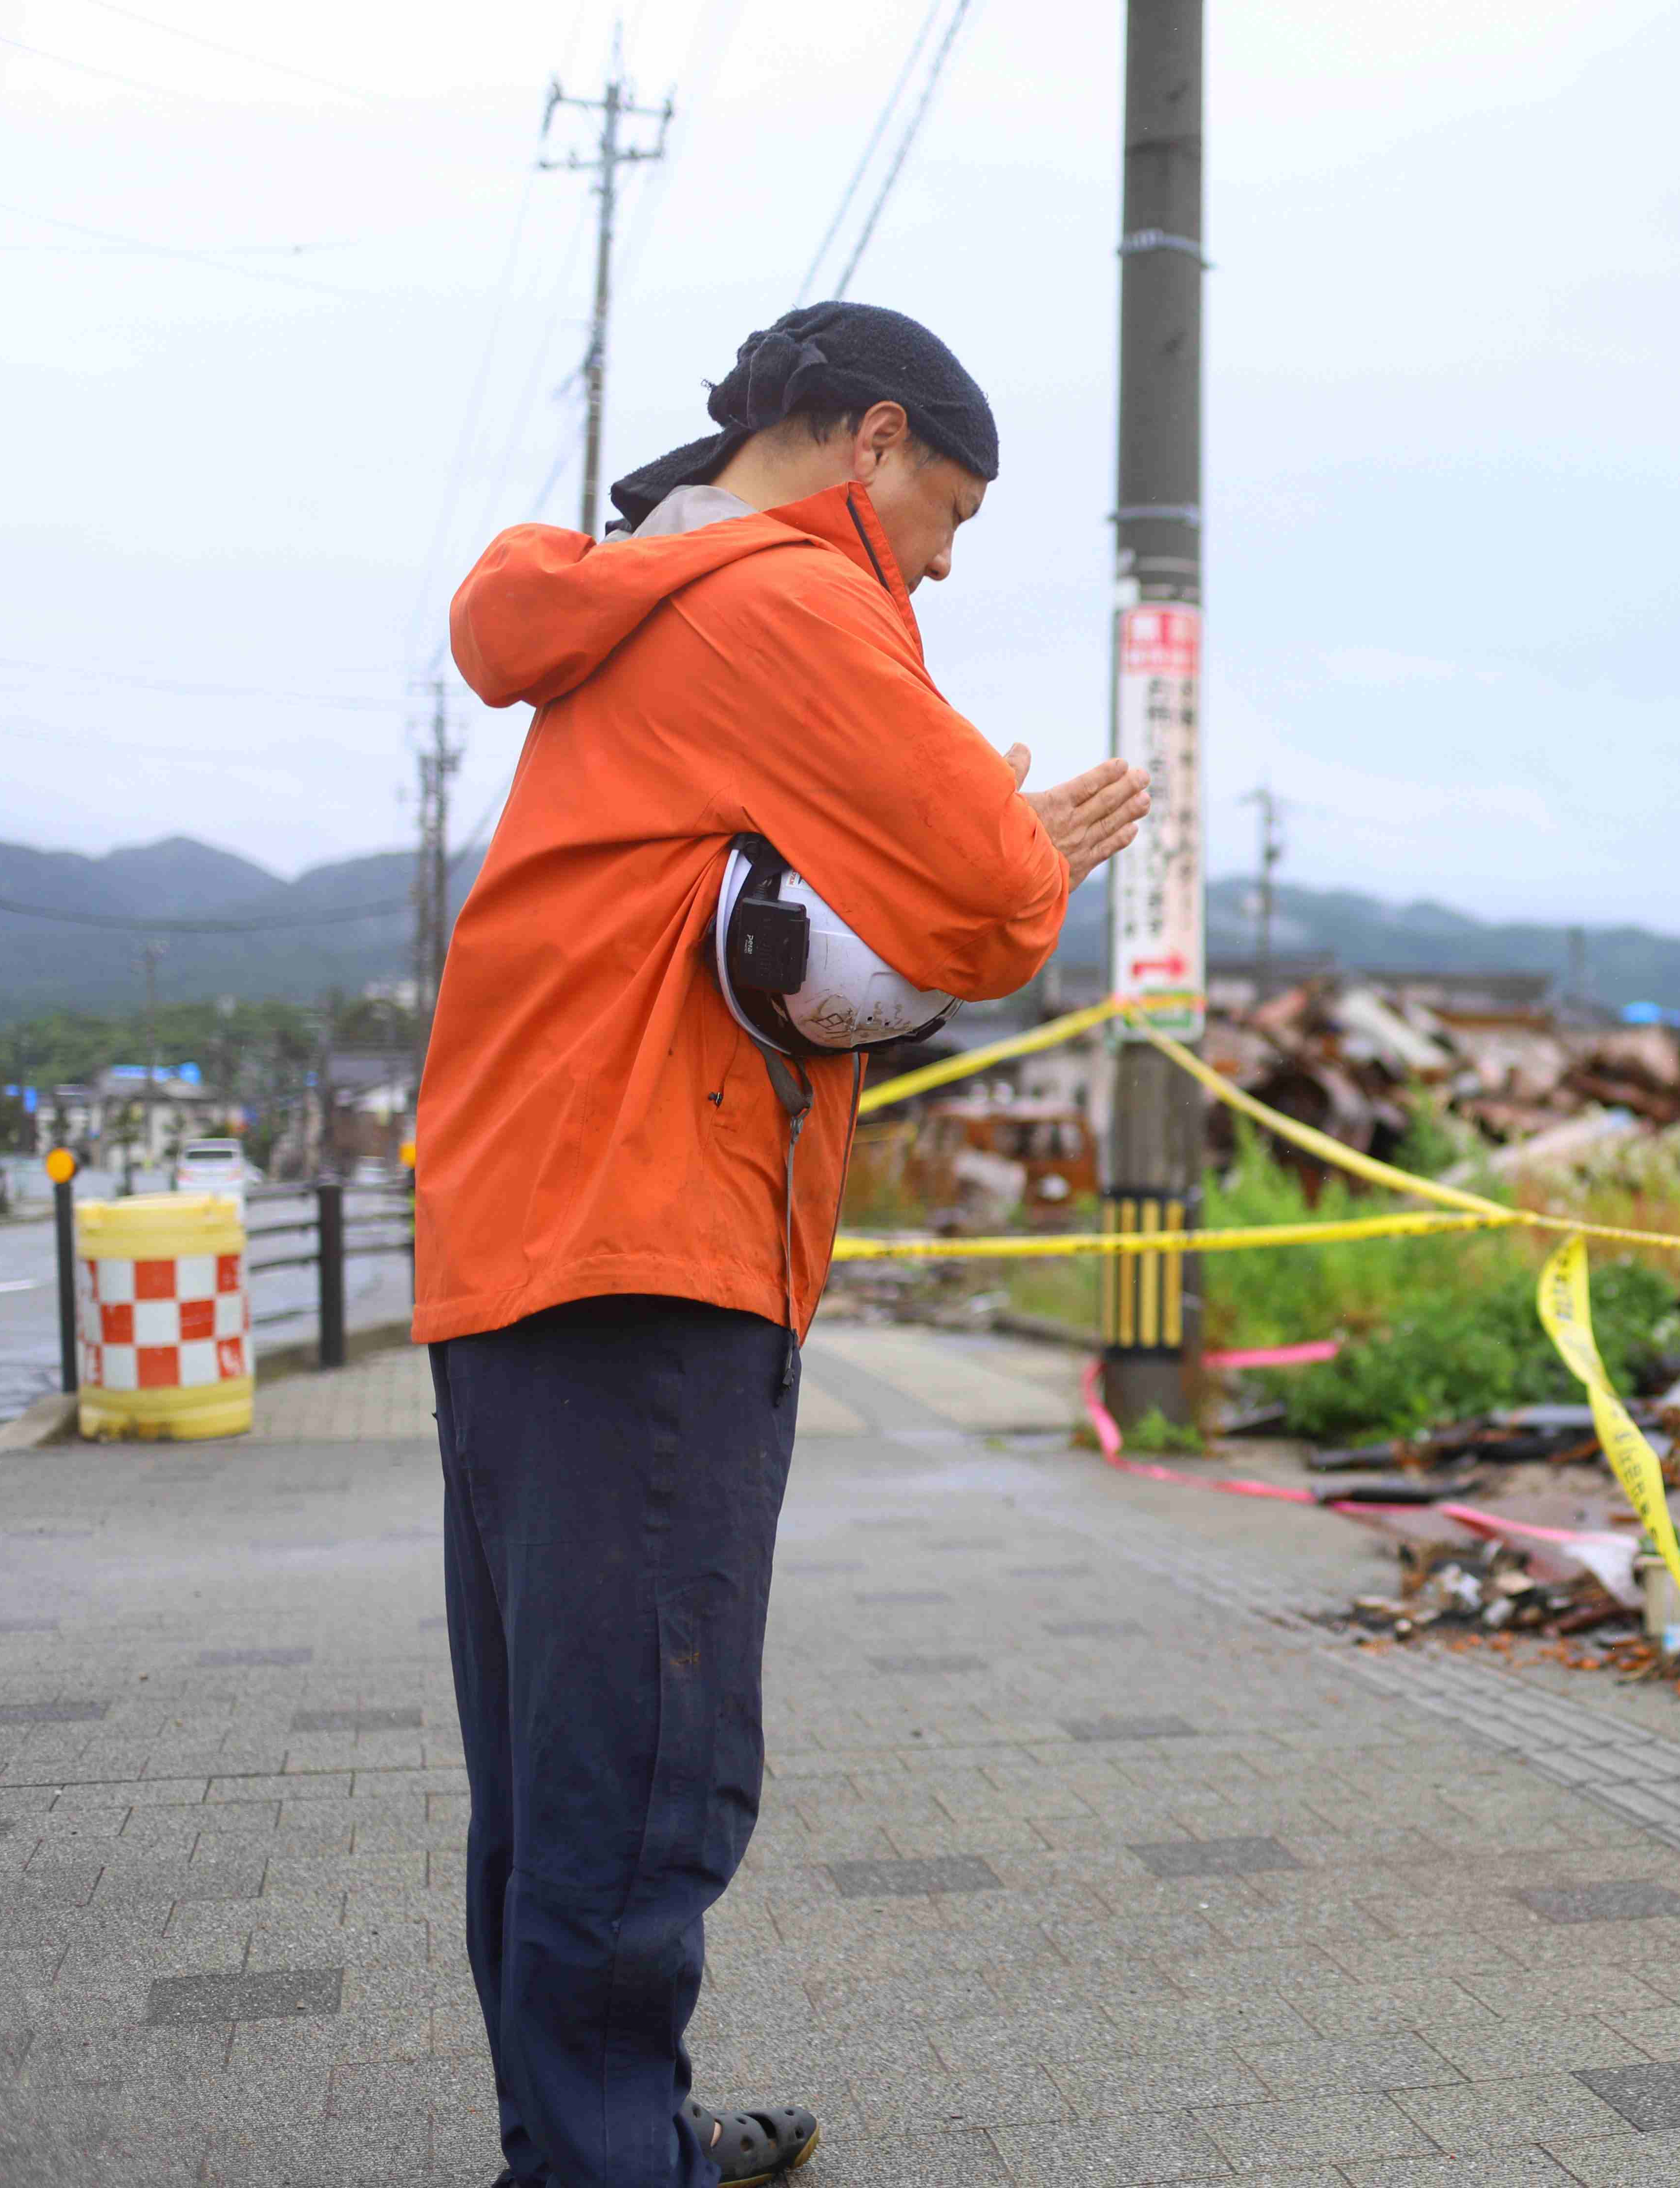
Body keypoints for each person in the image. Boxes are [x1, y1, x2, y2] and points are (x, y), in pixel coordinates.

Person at [415, 301, 1148, 2188]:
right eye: (947, 520)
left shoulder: (641, 591)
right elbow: (985, 908)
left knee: (553, 1766)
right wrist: (1024, 841)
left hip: (520, 1239)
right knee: (649, 1767)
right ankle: (610, 2165)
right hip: (653, 1241)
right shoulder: (789, 600)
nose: (942, 565)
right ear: (875, 445)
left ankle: (592, 2135)